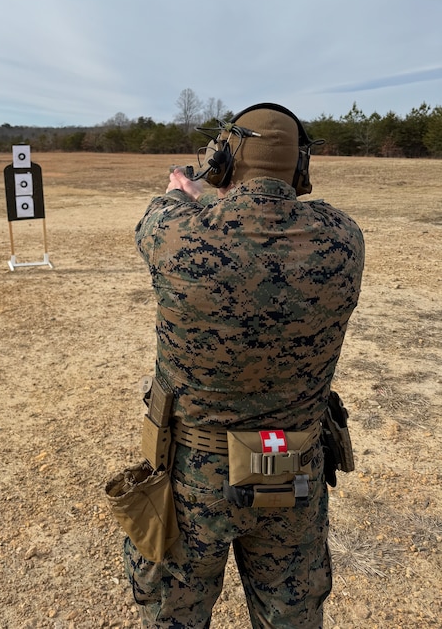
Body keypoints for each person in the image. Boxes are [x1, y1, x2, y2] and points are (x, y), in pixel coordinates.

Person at [125, 102, 365, 629]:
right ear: (300, 167)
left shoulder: (178, 234)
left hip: (194, 471)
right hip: (290, 463)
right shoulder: (343, 239)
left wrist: (186, 190)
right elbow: (275, 223)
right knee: (291, 616)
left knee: (175, 618)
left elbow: (164, 214)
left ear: (225, 159)